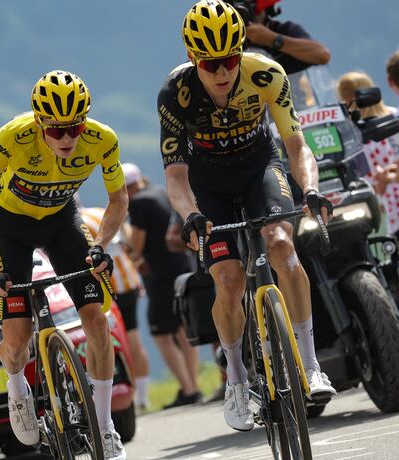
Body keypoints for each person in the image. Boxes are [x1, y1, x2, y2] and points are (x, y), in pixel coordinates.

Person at [161, 0, 336, 431]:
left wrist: (311, 189)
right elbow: (176, 176)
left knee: (281, 245)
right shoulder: (175, 93)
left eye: (231, 59)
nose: (222, 71)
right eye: (210, 63)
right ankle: (237, 379)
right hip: (208, 182)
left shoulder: (266, 73)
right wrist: (190, 214)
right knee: (228, 279)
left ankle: (311, 365)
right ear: (192, 57)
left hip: (259, 166)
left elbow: (296, 146)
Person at [0, 70, 129, 460]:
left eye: (75, 127)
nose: (67, 138)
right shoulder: (12, 138)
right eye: (56, 130)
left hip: (61, 222)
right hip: (11, 227)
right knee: (17, 339)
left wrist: (102, 246)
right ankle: (16, 387)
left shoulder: (103, 139)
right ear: (39, 123)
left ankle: (104, 425)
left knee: (97, 321)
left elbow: (118, 199)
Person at [126, 165, 202, 408]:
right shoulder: (160, 191)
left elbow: (137, 245)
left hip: (159, 273)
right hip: (181, 265)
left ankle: (188, 388)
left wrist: (128, 248)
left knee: (160, 333)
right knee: (182, 328)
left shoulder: (138, 203)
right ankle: (194, 386)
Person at [81, 200, 150, 411]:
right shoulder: (100, 211)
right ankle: (142, 398)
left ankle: (124, 394)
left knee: (111, 339)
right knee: (133, 335)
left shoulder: (81, 223)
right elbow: (126, 236)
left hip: (110, 284)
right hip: (129, 277)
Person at [337, 71, 399, 235]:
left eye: (347, 94)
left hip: (388, 200)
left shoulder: (393, 119)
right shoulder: (353, 132)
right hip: (386, 207)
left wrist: (387, 177)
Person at [234, 0, 330, 75]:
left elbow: (322, 55)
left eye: (251, 5)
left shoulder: (283, 30)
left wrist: (272, 39)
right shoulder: (228, 34)